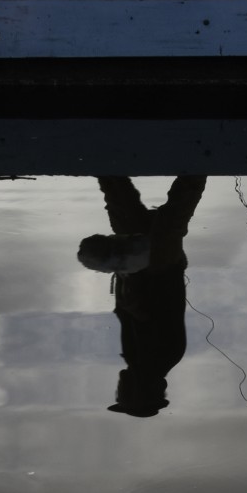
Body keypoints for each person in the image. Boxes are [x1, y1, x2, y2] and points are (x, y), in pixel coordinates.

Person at [77, 176, 207, 418]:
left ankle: (103, 161)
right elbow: (144, 310)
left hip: (139, 265)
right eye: (123, 396)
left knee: (120, 200)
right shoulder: (163, 357)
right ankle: (203, 161)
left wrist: (123, 274)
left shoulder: (136, 358)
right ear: (143, 392)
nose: (119, 390)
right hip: (160, 265)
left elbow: (127, 311)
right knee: (175, 210)